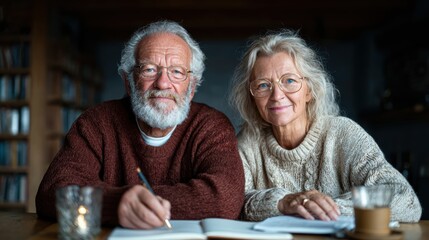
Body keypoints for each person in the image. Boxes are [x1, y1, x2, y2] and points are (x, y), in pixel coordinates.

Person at [36, 20, 244, 229]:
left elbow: (224, 199)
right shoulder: (96, 123)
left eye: (177, 72)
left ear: (191, 89)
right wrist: (115, 203)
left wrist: (134, 203)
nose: (163, 83)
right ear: (129, 82)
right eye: (150, 70)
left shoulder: (212, 126)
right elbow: (53, 191)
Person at [229, 29, 422, 223]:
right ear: (252, 97)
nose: (277, 95)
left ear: (309, 91)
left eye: (289, 81)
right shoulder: (247, 143)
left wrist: (325, 208)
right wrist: (282, 203)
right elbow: (231, 204)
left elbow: (406, 200)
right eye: (263, 85)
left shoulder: (343, 134)